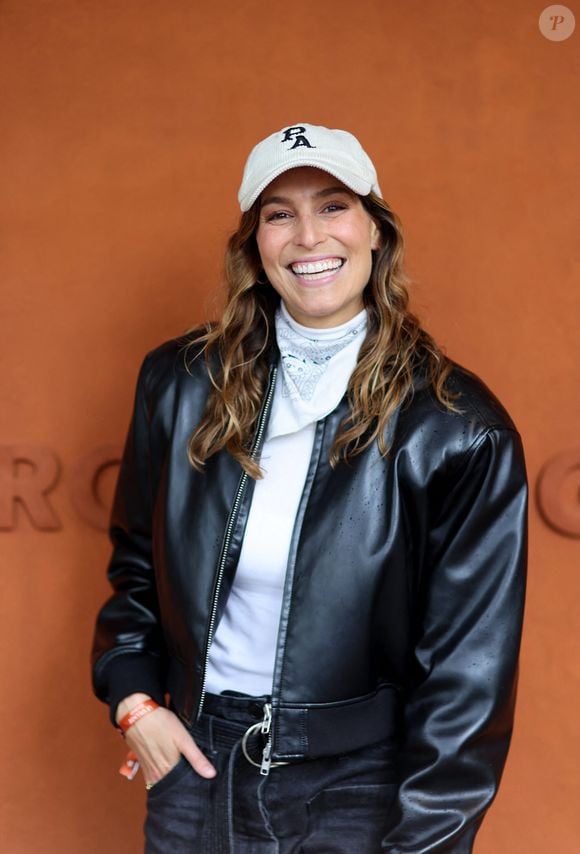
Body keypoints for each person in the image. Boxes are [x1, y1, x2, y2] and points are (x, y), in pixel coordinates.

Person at [91, 123, 528, 853]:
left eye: (332, 206)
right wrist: (136, 702)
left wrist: (425, 841)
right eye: (279, 213)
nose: (307, 235)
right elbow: (136, 562)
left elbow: (469, 676)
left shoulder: (456, 428)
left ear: (375, 231)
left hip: (361, 785)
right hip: (198, 766)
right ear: (254, 246)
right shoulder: (178, 384)